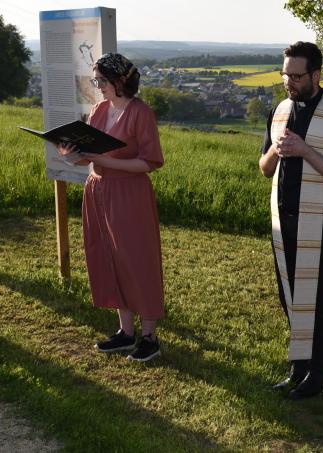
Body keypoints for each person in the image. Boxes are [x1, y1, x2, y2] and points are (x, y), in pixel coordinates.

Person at [259, 42, 323, 400]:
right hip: (283, 217)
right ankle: (299, 367)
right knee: (289, 292)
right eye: (285, 75)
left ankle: (319, 373)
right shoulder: (280, 111)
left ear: (316, 75)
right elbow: (264, 168)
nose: (289, 82)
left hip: (320, 219)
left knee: (317, 297)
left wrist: (305, 150)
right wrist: (277, 149)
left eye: (297, 76)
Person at [57, 53, 165, 362]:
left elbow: (150, 162)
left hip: (129, 193)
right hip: (97, 190)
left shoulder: (140, 113)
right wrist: (72, 154)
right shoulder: (99, 109)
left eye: (102, 81)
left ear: (120, 81)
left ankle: (149, 337)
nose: (99, 87)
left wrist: (103, 160)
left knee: (137, 260)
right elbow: (89, 155)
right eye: (96, 81)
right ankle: (125, 332)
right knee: (108, 257)